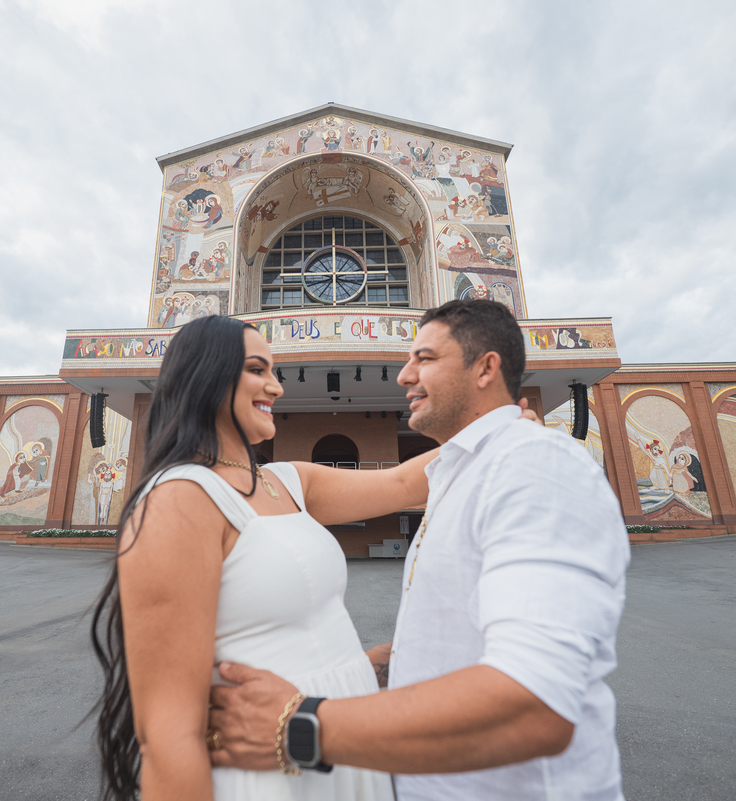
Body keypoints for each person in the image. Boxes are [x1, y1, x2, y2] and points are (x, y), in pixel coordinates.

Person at [208, 299, 630, 800]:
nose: (404, 375)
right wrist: (353, 672)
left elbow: (536, 702)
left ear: (486, 368)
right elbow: (447, 626)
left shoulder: (532, 465)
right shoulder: (464, 469)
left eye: (424, 358)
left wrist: (299, 726)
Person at [90, 315, 442, 801]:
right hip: (266, 775)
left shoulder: (288, 481)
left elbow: (402, 483)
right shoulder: (179, 498)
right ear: (206, 375)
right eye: (258, 369)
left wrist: (491, 437)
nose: (275, 387)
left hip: (334, 741)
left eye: (273, 372)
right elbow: (169, 732)